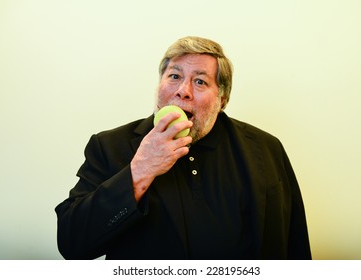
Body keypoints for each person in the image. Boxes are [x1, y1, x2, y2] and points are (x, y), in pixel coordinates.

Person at [55, 36, 312, 260]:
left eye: (200, 81)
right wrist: (140, 170)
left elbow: (293, 241)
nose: (183, 91)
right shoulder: (109, 145)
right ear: (159, 85)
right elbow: (72, 242)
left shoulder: (265, 148)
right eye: (174, 76)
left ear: (222, 99)